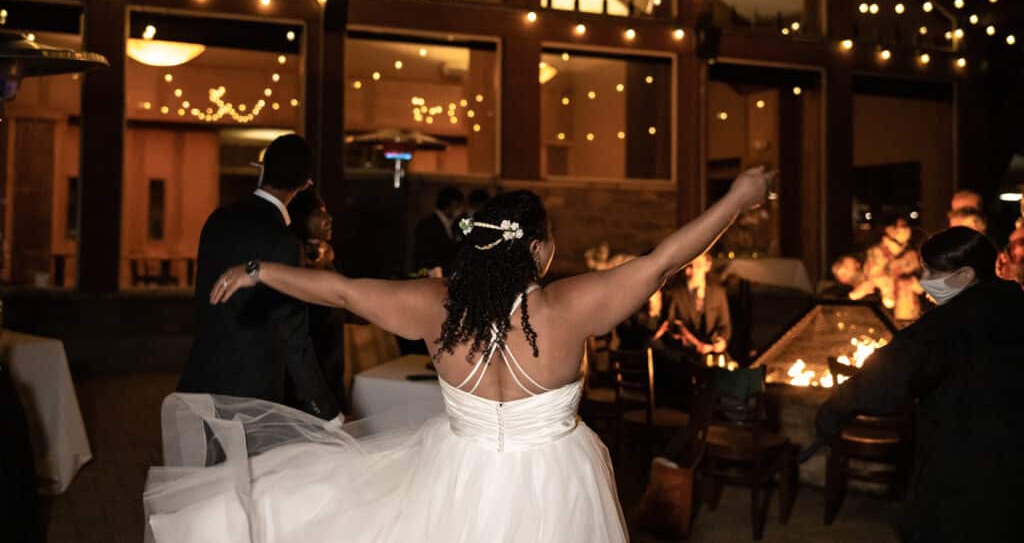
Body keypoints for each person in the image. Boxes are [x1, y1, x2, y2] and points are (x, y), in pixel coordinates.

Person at [143, 168, 772, 542]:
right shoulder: (568, 308)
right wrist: (738, 199)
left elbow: (339, 289)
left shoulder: (436, 307)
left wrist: (260, 270)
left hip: (457, 476)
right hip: (556, 481)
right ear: (539, 253)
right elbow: (665, 260)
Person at [813, 227, 1024, 542]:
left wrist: (831, 413)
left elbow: (886, 376)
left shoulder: (945, 325)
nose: (925, 279)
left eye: (933, 271)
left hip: (959, 474)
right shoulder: (1015, 307)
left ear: (965, 274)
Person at [177, 134, 340, 421]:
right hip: (251, 395)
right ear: (305, 184)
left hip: (200, 379)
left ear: (262, 170)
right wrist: (325, 409)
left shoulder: (218, 219)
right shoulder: (285, 243)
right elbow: (294, 335)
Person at [288, 189, 346, 411]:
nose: (328, 219)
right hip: (310, 371)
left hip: (331, 364)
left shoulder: (326, 257)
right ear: (301, 218)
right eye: (320, 213)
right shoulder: (296, 261)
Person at [654, 253, 731, 355]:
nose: (694, 270)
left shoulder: (718, 293)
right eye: (690, 265)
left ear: (708, 266)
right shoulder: (674, 293)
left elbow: (725, 325)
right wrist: (690, 343)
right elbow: (670, 325)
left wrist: (721, 341)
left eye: (698, 265)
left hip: (711, 355)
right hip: (683, 356)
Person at [860, 217, 924, 321]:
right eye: (901, 226)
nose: (905, 230)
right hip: (884, 312)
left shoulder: (911, 254)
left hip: (911, 309)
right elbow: (874, 278)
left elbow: (922, 280)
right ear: (889, 229)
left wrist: (913, 284)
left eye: (906, 226)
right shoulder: (876, 253)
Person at [412, 186, 464, 275]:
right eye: (458, 206)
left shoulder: (456, 224)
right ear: (452, 204)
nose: (461, 209)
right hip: (430, 276)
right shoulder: (428, 225)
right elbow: (422, 255)